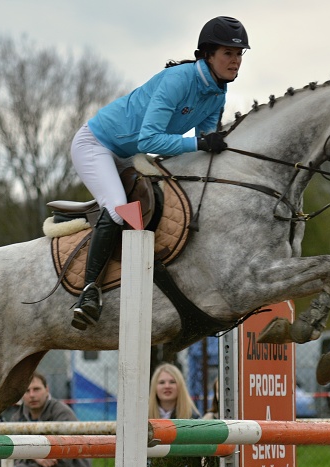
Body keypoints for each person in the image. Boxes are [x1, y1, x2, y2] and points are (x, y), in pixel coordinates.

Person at [70, 16, 250, 330]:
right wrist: (200, 142)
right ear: (208, 55)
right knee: (116, 210)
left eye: (239, 55)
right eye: (228, 54)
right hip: (96, 145)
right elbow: (150, 139)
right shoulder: (178, 79)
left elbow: (205, 147)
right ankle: (89, 291)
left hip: (129, 154)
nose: (235, 61)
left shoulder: (217, 94)